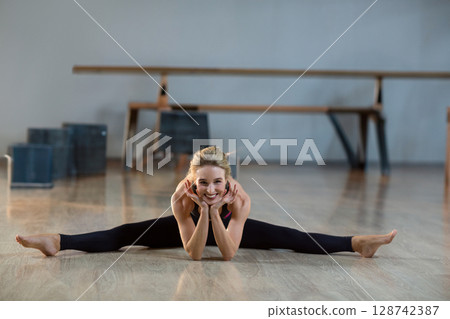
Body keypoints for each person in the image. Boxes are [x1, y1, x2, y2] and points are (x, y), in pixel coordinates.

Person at [16, 146, 397, 261]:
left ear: (228, 181)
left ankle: (357, 243)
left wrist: (218, 213)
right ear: (191, 182)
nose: (211, 190)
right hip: (195, 229)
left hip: (229, 229)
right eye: (204, 183)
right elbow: (196, 255)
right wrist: (206, 213)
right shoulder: (182, 198)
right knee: (125, 234)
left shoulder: (240, 199)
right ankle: (57, 241)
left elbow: (227, 253)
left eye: (218, 183)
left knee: (291, 238)